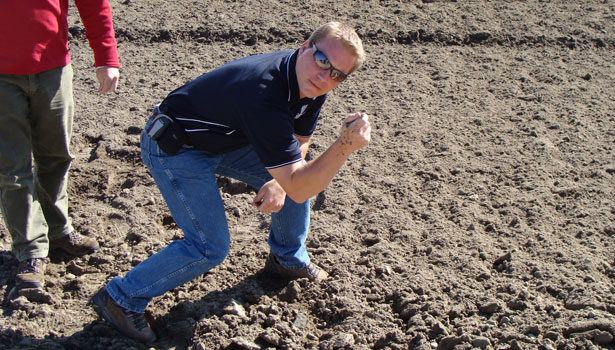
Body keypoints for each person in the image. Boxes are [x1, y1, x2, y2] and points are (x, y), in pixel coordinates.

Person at [91, 21, 369, 343]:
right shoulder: (263, 91)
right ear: (305, 46)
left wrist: (281, 184)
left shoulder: (311, 83)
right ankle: (121, 297)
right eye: (322, 60)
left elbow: (298, 141)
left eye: (338, 74)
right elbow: (302, 183)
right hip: (175, 147)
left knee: (295, 182)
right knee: (209, 246)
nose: (326, 76)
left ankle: (287, 259)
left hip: (223, 142)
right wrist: (344, 146)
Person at [0, 0, 120, 300]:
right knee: (13, 169)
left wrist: (106, 57)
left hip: (52, 69)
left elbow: (93, 4)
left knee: (57, 156)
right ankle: (30, 250)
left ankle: (57, 230)